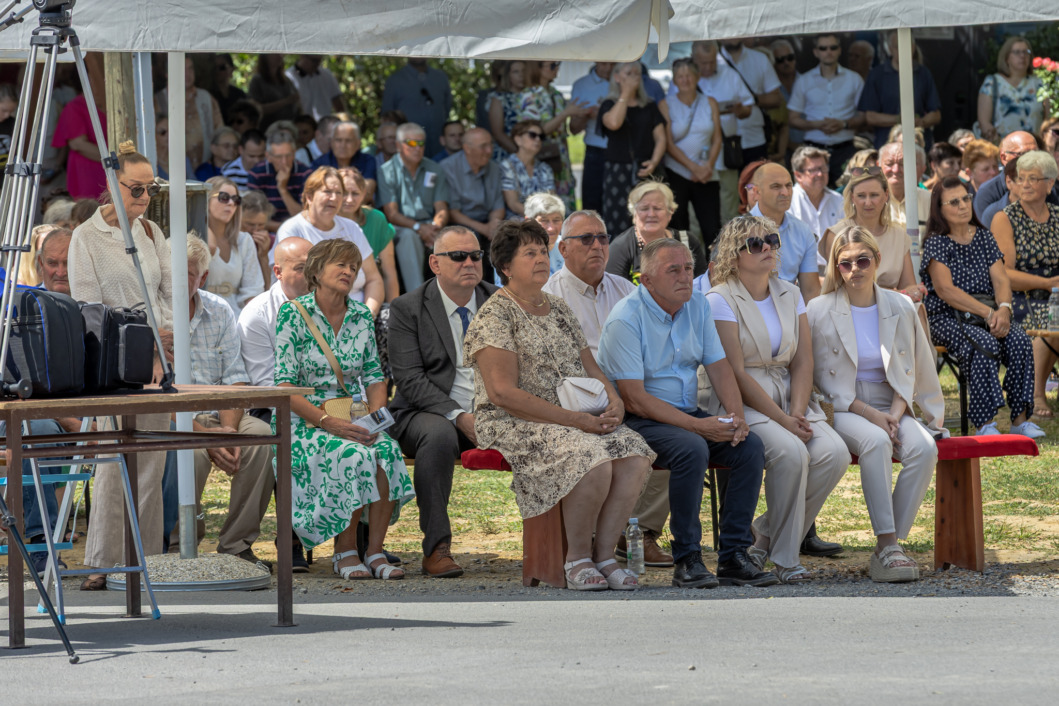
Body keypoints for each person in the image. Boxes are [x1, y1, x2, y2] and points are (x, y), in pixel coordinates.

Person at [464, 219, 654, 591]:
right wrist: (575, 420)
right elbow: (502, 394)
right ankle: (577, 559)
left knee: (634, 452)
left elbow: (590, 366)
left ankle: (605, 557)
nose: (540, 259)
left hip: (572, 415)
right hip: (511, 420)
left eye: (542, 251)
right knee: (590, 456)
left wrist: (614, 401)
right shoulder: (495, 315)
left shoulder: (559, 307)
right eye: (529, 253)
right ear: (506, 266)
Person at [597, 238, 776, 588]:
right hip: (636, 420)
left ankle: (734, 556)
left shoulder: (697, 304)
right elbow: (634, 398)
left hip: (685, 414)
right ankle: (688, 559)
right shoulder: (626, 318)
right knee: (691, 448)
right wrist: (699, 427)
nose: (684, 277)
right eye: (673, 270)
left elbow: (719, 366)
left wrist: (736, 418)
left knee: (749, 446)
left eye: (689, 268)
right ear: (646, 280)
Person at [707, 215, 850, 583]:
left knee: (834, 453)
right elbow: (735, 372)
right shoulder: (719, 299)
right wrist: (784, 421)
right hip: (742, 399)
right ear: (734, 254)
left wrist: (797, 411)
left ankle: (765, 535)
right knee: (791, 452)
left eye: (771, 240)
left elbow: (803, 360)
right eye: (756, 244)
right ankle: (786, 560)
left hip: (790, 393)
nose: (767, 248)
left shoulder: (790, 292)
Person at [808, 226, 946, 582]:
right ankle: (888, 544)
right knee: (876, 441)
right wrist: (872, 415)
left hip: (891, 400)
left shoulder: (900, 304)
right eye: (845, 263)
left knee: (924, 449)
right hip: (844, 406)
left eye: (863, 260)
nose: (855, 269)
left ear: (877, 260)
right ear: (836, 268)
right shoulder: (819, 309)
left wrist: (897, 414)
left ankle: (889, 546)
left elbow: (914, 365)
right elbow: (820, 379)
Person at [275, 239, 413, 579]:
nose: (349, 271)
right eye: (340, 264)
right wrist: (326, 422)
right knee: (353, 455)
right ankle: (345, 551)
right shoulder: (293, 313)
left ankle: (375, 551)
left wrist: (374, 421)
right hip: (305, 421)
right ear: (317, 270)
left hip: (352, 417)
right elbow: (284, 387)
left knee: (387, 450)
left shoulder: (361, 315)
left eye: (353, 266)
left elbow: (375, 377)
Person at [68, 141, 173, 590]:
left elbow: (170, 295)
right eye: (137, 189)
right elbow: (87, 308)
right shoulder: (86, 236)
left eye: (152, 188)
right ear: (112, 186)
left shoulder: (152, 232)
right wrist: (142, 343)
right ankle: (102, 561)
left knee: (152, 462)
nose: (145, 197)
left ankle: (145, 559)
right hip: (113, 362)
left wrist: (162, 344)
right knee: (114, 462)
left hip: (157, 361)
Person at [543, 211, 672, 567]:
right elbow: (556, 370)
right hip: (580, 403)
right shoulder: (549, 297)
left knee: (677, 435)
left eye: (602, 238)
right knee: (606, 450)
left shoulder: (626, 290)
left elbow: (653, 345)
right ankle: (592, 540)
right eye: (586, 239)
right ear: (563, 249)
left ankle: (641, 532)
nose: (597, 246)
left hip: (633, 391)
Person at [389, 226, 498, 578]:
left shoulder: (500, 302)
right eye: (458, 256)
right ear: (435, 263)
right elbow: (410, 379)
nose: (469, 263)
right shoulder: (407, 308)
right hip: (425, 413)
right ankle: (437, 549)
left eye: (476, 255)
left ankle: (561, 545)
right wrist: (459, 416)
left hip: (494, 412)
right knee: (438, 435)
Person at [168, 235, 276, 565]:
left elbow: (235, 379)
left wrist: (227, 433)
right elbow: (152, 395)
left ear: (202, 278)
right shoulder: (152, 313)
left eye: (185, 273)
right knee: (191, 454)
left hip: (219, 414)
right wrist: (204, 435)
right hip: (171, 420)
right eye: (169, 271)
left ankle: (237, 546)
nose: (175, 280)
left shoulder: (219, 310)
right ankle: (178, 545)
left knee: (260, 438)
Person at [920, 176, 1041, 438]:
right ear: (939, 210)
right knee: (983, 344)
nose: (963, 205)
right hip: (948, 316)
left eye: (966, 198)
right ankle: (985, 424)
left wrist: (1004, 309)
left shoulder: (984, 236)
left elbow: (1001, 279)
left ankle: (1020, 420)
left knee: (1020, 341)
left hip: (990, 312)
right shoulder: (936, 242)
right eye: (954, 202)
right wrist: (988, 313)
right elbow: (945, 290)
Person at [237, 236, 314, 571]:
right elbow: (266, 382)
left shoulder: (330, 305)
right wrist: (319, 412)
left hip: (325, 402)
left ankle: (357, 540)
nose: (311, 275)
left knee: (368, 435)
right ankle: (291, 537)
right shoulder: (257, 314)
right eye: (301, 268)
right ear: (278, 271)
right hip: (273, 406)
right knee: (291, 439)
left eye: (315, 267)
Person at [989, 151, 1059, 420]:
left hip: (1055, 295)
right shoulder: (1005, 218)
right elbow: (1003, 273)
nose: (1025, 184)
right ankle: (1036, 393)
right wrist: (1048, 283)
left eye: (1033, 179)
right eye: (1021, 178)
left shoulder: (1057, 215)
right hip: (1020, 298)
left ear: (1050, 184)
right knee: (1054, 320)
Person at [275, 166, 384, 316]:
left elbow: (374, 279)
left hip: (360, 314)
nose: (334, 198)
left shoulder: (351, 228)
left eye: (338, 192)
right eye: (327, 191)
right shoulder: (292, 231)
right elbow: (290, 286)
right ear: (309, 196)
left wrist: (368, 315)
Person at [678, 41, 753, 225]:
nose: (708, 66)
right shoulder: (685, 79)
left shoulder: (729, 74)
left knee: (729, 200)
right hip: (696, 156)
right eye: (703, 63)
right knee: (698, 207)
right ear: (694, 59)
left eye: (712, 61)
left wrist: (740, 110)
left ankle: (730, 239)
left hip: (726, 151)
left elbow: (748, 108)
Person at [820, 169, 922, 305]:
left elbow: (908, 285)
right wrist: (897, 293)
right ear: (852, 198)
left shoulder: (899, 235)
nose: (868, 202)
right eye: (861, 196)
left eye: (874, 195)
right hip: (848, 308)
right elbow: (840, 286)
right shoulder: (837, 234)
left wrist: (915, 291)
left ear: (886, 195)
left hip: (893, 308)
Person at [377, 122, 450, 294]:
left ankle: (452, 297)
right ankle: (416, 297)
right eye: (411, 143)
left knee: (452, 237)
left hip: (430, 225)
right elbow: (392, 214)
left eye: (421, 143)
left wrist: (435, 227)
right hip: (400, 227)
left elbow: (441, 207)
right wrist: (419, 228)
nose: (417, 148)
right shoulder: (386, 171)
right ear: (398, 146)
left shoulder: (434, 168)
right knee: (409, 236)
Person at [598, 62, 667, 236]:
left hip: (645, 170)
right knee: (617, 220)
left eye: (637, 73)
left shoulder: (649, 105)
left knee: (648, 218)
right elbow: (614, 123)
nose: (634, 77)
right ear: (617, 77)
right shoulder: (608, 104)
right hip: (617, 172)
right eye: (628, 73)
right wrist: (626, 94)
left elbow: (660, 138)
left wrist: (654, 162)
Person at [787, 34, 866, 186]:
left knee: (848, 193)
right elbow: (792, 118)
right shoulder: (804, 81)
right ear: (816, 52)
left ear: (839, 50)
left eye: (833, 47)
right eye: (823, 48)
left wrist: (843, 124)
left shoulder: (854, 79)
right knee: (812, 192)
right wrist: (816, 125)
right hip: (812, 149)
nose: (828, 52)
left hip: (845, 148)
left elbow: (864, 116)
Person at [660, 58, 722, 248]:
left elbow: (717, 138)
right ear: (674, 80)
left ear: (697, 77)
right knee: (679, 228)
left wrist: (707, 166)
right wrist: (694, 168)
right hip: (677, 172)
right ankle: (684, 263)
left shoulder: (710, 102)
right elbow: (668, 143)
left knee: (712, 226)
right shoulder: (665, 104)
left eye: (689, 75)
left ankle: (715, 264)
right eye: (680, 76)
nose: (685, 80)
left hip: (707, 173)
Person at [517, 60, 590, 213]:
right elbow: (535, 133)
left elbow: (564, 133)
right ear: (537, 68)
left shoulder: (556, 94)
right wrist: (565, 113)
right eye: (552, 65)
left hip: (561, 159)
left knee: (565, 207)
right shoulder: (528, 95)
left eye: (558, 64)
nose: (556, 68)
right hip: (540, 159)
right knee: (545, 208)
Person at [606, 180, 707, 284]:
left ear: (670, 212)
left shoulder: (687, 241)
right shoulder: (620, 248)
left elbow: (702, 284)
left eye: (657, 208)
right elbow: (615, 290)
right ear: (634, 214)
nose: (651, 214)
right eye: (644, 208)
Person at [748, 162, 821, 301]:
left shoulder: (803, 231)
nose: (785, 193)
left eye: (788, 186)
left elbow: (811, 291)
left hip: (790, 308)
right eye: (776, 187)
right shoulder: (737, 232)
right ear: (756, 192)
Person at [441, 127, 505, 282]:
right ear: (467, 148)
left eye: (490, 145)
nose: (489, 151)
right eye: (483, 146)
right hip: (461, 223)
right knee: (471, 239)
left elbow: (498, 206)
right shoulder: (448, 168)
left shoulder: (494, 168)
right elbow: (453, 212)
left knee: (506, 236)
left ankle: (504, 288)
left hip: (488, 222)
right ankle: (476, 288)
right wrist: (484, 229)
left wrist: (494, 224)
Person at [860, 32, 942, 149]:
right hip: (887, 145)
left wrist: (921, 122)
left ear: (913, 47)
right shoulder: (877, 75)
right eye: (897, 47)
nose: (903, 50)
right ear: (890, 49)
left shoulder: (923, 73)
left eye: (907, 45)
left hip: (918, 146)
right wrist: (902, 119)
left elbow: (936, 114)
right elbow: (870, 117)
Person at [202, 177, 265, 313]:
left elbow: (253, 290)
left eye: (236, 200)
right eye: (224, 198)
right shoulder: (193, 238)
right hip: (202, 312)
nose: (231, 203)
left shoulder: (244, 240)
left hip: (237, 315)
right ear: (206, 200)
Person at [719, 39, 783, 163]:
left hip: (755, 139)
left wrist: (749, 100)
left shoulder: (760, 59)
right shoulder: (710, 62)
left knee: (756, 177)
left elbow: (776, 99)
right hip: (722, 143)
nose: (731, 35)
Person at [973, 131, 1058, 221]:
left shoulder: (1044, 186)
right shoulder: (987, 193)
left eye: (1035, 153)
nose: (1031, 159)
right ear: (1004, 158)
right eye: (1023, 154)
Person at [155, 55, 224, 165]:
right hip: (171, 169)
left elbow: (220, 132)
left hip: (205, 168)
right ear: (167, 74)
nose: (187, 74)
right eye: (181, 69)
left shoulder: (206, 98)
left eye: (190, 68)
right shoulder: (158, 101)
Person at [977, 37, 1046, 142]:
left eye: (1026, 52)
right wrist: (1000, 145)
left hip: (1034, 148)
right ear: (1006, 58)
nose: (1022, 56)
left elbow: (1048, 121)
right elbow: (984, 123)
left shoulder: (1040, 83)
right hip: (1002, 148)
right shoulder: (992, 83)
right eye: (1017, 52)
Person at [570, 62, 616, 212]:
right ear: (596, 61)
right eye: (604, 64)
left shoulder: (623, 80)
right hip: (594, 150)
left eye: (613, 64)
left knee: (619, 205)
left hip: (622, 149)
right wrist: (587, 114)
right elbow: (573, 129)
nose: (608, 68)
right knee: (592, 205)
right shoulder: (581, 85)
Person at [382, 59, 453, 150]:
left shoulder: (440, 77)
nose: (418, 54)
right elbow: (387, 116)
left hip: (438, 145)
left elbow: (447, 107)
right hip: (409, 147)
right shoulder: (395, 80)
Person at [248, 130, 312, 228]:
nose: (284, 162)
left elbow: (305, 217)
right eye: (279, 157)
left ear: (294, 153)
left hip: (299, 231)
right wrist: (284, 228)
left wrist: (282, 189)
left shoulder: (305, 174)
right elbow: (253, 217)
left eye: (288, 155)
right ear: (268, 156)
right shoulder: (256, 174)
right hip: (266, 231)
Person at [51, 88, 106, 200]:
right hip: (88, 176)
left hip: (112, 175)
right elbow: (78, 144)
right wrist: (117, 160)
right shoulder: (74, 107)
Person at [500, 120, 556, 218]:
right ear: (518, 140)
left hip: (544, 219)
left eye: (541, 136)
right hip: (517, 221)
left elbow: (552, 201)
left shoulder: (545, 168)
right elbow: (513, 204)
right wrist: (538, 217)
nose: (538, 139)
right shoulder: (507, 165)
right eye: (532, 135)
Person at [790, 145, 844, 242]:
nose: (820, 174)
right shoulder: (788, 202)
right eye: (813, 170)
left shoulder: (838, 200)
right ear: (798, 176)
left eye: (823, 168)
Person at [309, 121, 377, 195]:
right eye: (338, 140)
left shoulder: (367, 161)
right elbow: (315, 193)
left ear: (358, 143)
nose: (343, 145)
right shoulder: (319, 164)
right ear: (331, 142)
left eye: (348, 141)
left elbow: (368, 191)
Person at [878, 141, 931, 232]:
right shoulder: (870, 201)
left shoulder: (929, 200)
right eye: (889, 164)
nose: (896, 170)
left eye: (902, 164)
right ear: (878, 165)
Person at [285, 55, 346, 120]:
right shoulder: (289, 77)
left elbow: (338, 104)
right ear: (302, 56)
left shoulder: (327, 75)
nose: (316, 64)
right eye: (313, 60)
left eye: (319, 61)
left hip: (324, 122)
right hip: (302, 122)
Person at [248, 54, 301, 128]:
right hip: (268, 128)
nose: (279, 56)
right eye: (275, 54)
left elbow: (297, 102)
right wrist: (286, 101)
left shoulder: (286, 80)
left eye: (280, 54)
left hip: (289, 126)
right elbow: (256, 109)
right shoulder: (257, 80)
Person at [487, 60, 526, 158]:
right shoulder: (499, 98)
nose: (521, 75)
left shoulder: (535, 95)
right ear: (507, 75)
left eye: (524, 71)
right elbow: (498, 133)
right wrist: (520, 154)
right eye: (516, 72)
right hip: (508, 154)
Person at [525, 192, 566, 276]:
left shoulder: (568, 247)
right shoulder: (515, 252)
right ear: (528, 222)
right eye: (544, 220)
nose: (551, 228)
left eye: (556, 220)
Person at [239, 189, 275, 287]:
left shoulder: (271, 242)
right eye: (250, 224)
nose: (255, 230)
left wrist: (263, 256)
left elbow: (269, 287)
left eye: (261, 225)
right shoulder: (230, 240)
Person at [211, 53, 248, 124]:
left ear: (232, 69)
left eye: (222, 67)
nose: (217, 71)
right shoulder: (209, 95)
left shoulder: (239, 94)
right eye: (214, 68)